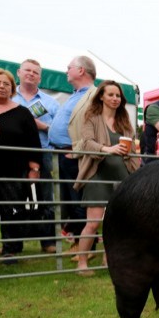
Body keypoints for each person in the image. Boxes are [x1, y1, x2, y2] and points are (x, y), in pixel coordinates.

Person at [73, 81, 138, 276]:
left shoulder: (124, 120)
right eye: (110, 95)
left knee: (116, 223)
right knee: (92, 223)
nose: (115, 99)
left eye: (118, 96)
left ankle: (108, 260)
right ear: (101, 96)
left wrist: (130, 156)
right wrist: (107, 149)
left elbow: (132, 149)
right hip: (98, 175)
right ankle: (82, 263)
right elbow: (87, 143)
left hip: (122, 175)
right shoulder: (91, 117)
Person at [0, 68, 41, 263]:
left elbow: (34, 142)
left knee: (13, 209)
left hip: (14, 170)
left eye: (7, 84)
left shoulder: (22, 113)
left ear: (13, 89)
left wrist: (34, 168)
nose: (2, 86)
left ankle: (10, 249)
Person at [48, 56, 98, 255]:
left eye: (69, 67)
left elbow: (93, 126)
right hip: (62, 153)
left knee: (78, 200)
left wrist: (77, 150)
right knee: (70, 200)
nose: (66, 71)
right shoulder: (76, 94)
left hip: (75, 155)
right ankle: (79, 241)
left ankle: (86, 246)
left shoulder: (94, 95)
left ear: (81, 71)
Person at [12, 59, 60, 254]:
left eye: (35, 72)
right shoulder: (8, 96)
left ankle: (48, 242)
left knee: (46, 197)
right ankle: (13, 244)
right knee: (14, 198)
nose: (31, 74)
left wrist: (41, 125)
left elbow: (58, 132)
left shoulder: (51, 103)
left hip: (43, 154)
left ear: (40, 77)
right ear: (19, 73)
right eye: (27, 70)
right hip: (13, 154)